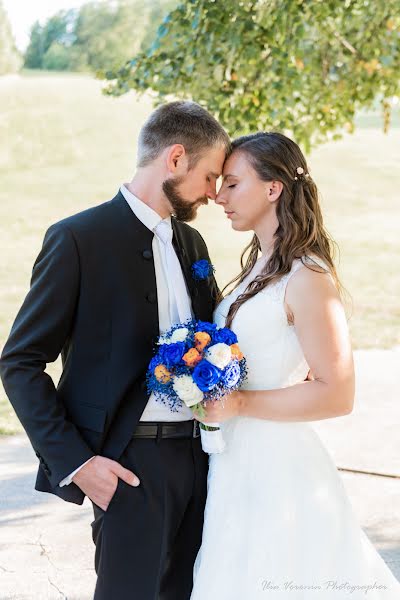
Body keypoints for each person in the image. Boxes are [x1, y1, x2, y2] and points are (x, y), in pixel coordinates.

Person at [0, 100, 230, 600]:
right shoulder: (78, 238)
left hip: (199, 458)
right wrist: (79, 464)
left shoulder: (193, 246)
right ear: (175, 159)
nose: (215, 193)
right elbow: (19, 362)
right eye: (210, 176)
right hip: (128, 466)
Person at [190, 132, 400, 599]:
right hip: (236, 461)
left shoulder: (308, 276)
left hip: (279, 467)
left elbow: (337, 392)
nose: (219, 197)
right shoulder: (258, 266)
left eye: (232, 184)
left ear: (273, 189)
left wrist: (240, 401)